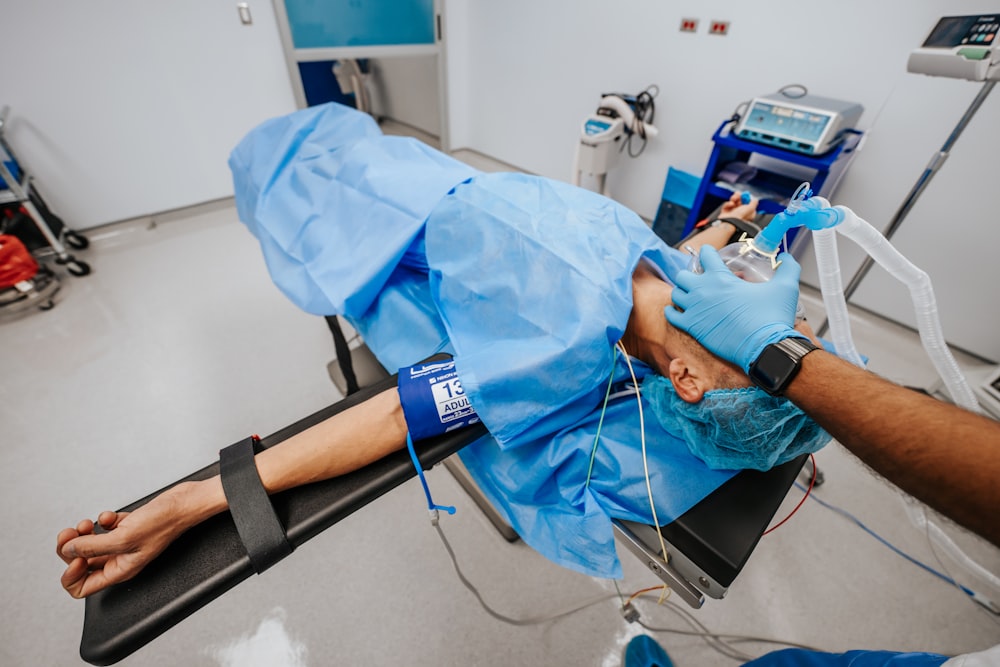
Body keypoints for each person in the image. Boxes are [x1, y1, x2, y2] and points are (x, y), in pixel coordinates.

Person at [56, 103, 829, 598]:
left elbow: (401, 412)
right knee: (338, 136)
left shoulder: (560, 351)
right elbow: (694, 253)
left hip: (370, 227)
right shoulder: (671, 273)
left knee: (284, 177)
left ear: (687, 380)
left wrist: (200, 498)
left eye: (759, 342)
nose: (751, 296)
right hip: (414, 174)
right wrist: (730, 225)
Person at [621, 244, 1000, 666]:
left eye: (763, 361)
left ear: (686, 378)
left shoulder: (584, 328)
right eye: (797, 325)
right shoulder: (678, 308)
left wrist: (776, 349)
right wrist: (732, 222)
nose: (789, 322)